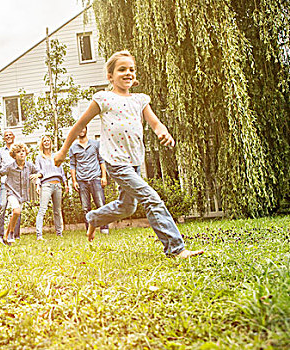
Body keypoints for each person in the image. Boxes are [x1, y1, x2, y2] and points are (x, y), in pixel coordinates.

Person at [54, 50, 203, 258]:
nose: (128, 73)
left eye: (131, 69)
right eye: (121, 69)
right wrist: (62, 152)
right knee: (151, 198)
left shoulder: (140, 100)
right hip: (115, 161)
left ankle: (94, 218)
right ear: (110, 76)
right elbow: (79, 124)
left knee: (127, 207)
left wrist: (163, 132)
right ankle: (176, 249)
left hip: (134, 162)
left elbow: (155, 123)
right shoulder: (103, 99)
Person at [0, 143, 41, 245]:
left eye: (23, 151)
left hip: (22, 194)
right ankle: (11, 232)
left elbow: (40, 172)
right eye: (18, 152)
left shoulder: (29, 166)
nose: (21, 154)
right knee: (16, 211)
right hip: (10, 192)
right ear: (14, 155)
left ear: (26, 153)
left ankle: (7, 235)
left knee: (17, 212)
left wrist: (37, 175)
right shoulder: (10, 166)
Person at [69, 126, 109, 234]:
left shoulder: (95, 144)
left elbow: (101, 161)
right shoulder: (73, 148)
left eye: (83, 128)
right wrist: (74, 181)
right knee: (85, 207)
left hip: (95, 178)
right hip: (82, 180)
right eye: (79, 129)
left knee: (100, 204)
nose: (81, 130)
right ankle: (89, 230)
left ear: (86, 129)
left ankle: (104, 228)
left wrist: (104, 177)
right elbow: (72, 165)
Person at [34, 135, 69, 240]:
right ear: (42, 144)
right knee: (42, 209)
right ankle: (39, 235)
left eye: (48, 140)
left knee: (57, 210)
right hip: (46, 185)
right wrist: (37, 185)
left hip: (57, 185)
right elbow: (38, 172)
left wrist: (66, 184)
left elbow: (61, 172)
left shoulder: (56, 155)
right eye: (44, 141)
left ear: (51, 142)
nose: (46, 142)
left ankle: (59, 233)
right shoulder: (39, 157)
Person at [0, 130, 21, 243]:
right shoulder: (0, 152)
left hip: (17, 184)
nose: (8, 137)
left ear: (14, 137)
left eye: (10, 135)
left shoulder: (19, 151)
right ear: (4, 139)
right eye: (6, 136)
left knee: (17, 209)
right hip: (4, 183)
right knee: (2, 207)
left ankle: (14, 235)